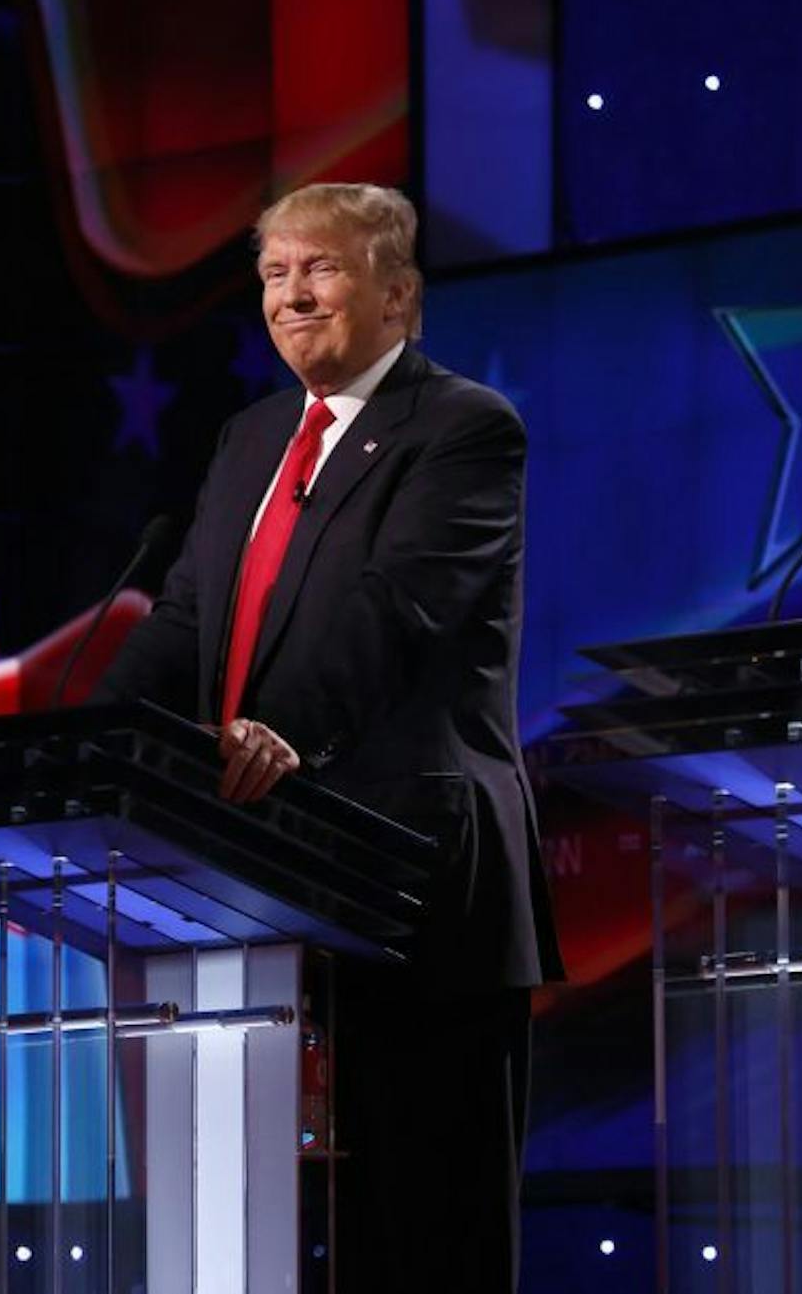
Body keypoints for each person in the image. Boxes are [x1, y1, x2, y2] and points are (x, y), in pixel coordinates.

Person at [94, 182, 561, 1292]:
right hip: (252, 868)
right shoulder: (253, 436)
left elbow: (397, 608)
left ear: (398, 296)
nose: (292, 294)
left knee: (425, 1221)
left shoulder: (460, 427)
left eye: (323, 269)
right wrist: (94, 746)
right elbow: (191, 618)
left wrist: (281, 729)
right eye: (274, 274)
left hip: (414, 869)